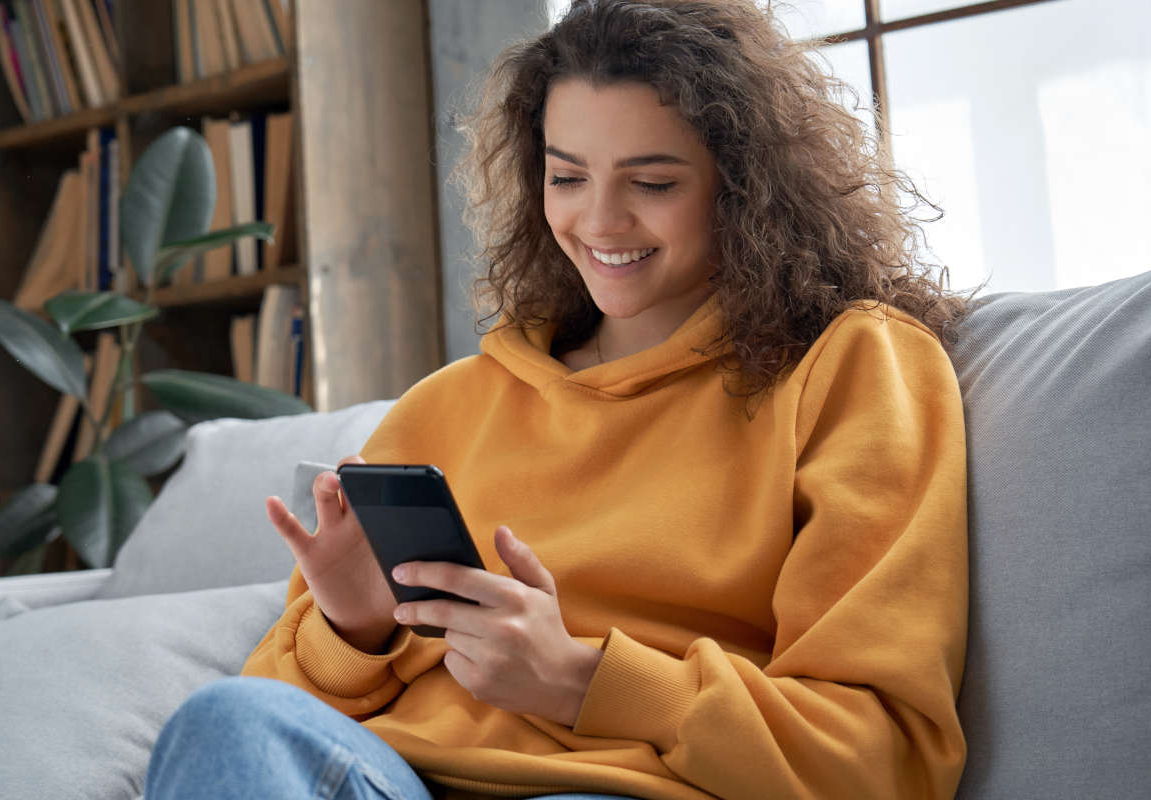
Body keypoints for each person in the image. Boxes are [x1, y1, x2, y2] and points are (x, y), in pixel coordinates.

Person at [144, 1, 972, 797]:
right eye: (568, 176)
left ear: (746, 186)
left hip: (630, 787)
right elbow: (274, 733)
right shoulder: (447, 406)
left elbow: (881, 761)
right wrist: (354, 630)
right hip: (394, 779)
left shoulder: (852, 365)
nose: (600, 221)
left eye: (651, 182)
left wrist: (578, 678)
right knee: (226, 720)